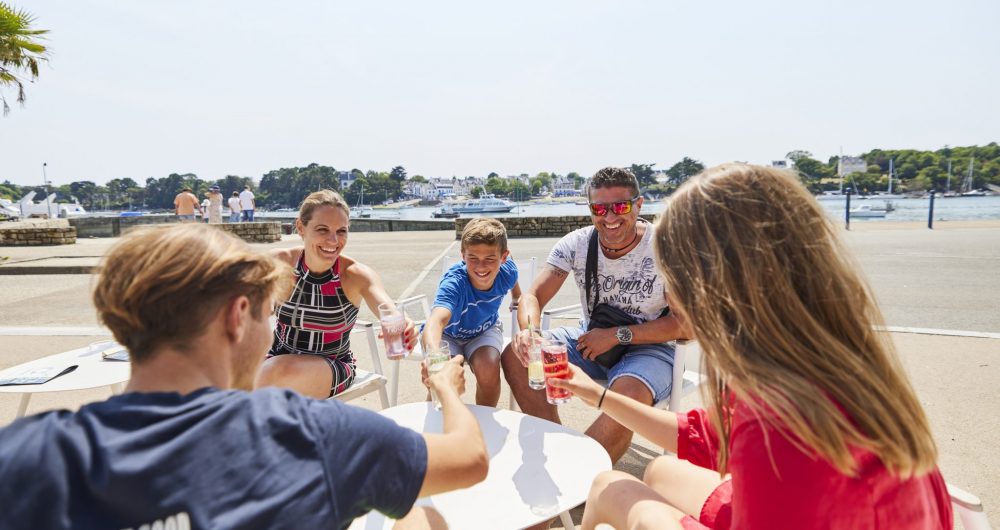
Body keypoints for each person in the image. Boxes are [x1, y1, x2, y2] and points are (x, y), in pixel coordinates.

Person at [0, 223, 488, 529]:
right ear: (237, 317)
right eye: (264, 312)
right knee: (420, 516)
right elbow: (468, 459)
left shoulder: (28, 455)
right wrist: (448, 391)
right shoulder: (315, 436)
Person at [552, 164, 952, 530]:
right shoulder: (820, 360)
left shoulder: (776, 429)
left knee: (611, 487)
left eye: (676, 276)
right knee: (659, 471)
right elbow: (706, 437)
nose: (672, 296)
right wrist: (596, 394)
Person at [501, 167, 687, 463]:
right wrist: (530, 332)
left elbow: (685, 325)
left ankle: (577, 473)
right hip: (590, 342)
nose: (610, 217)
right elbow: (532, 296)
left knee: (626, 399)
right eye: (600, 208)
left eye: (620, 207)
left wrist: (617, 335)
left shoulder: (666, 248)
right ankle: (556, 448)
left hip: (648, 349)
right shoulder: (577, 243)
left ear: (639, 205)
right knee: (515, 355)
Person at [255, 189, 417, 399]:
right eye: (322, 229)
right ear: (301, 228)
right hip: (277, 357)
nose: (333, 240)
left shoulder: (356, 275)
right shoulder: (279, 263)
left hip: (331, 366)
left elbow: (388, 309)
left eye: (341, 231)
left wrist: (404, 325)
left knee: (271, 376)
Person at [421, 217, 520, 407]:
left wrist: (517, 296)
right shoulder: (454, 283)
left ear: (503, 257)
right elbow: (436, 322)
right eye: (473, 258)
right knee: (442, 375)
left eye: (490, 259)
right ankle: (437, 420)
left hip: (484, 330)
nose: (481, 267)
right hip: (448, 334)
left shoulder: (508, 271)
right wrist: (435, 356)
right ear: (463, 255)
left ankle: (484, 420)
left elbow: (512, 275)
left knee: (489, 369)